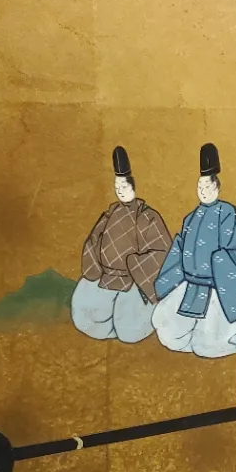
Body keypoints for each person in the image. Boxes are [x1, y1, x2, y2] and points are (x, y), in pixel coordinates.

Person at [152, 143, 236, 357]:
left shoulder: (228, 215)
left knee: (206, 346)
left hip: (219, 289)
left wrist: (219, 260)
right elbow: (179, 249)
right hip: (189, 287)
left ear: (216, 188)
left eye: (207, 187)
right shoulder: (190, 218)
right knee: (170, 335)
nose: (203, 192)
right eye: (200, 187)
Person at [71, 146, 172, 343]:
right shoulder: (110, 214)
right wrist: (95, 265)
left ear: (133, 187)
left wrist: (134, 263)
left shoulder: (147, 216)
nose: (120, 191)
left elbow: (161, 250)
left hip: (134, 281)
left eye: (124, 186)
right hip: (106, 278)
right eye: (117, 187)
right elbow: (93, 241)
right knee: (85, 316)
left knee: (129, 331)